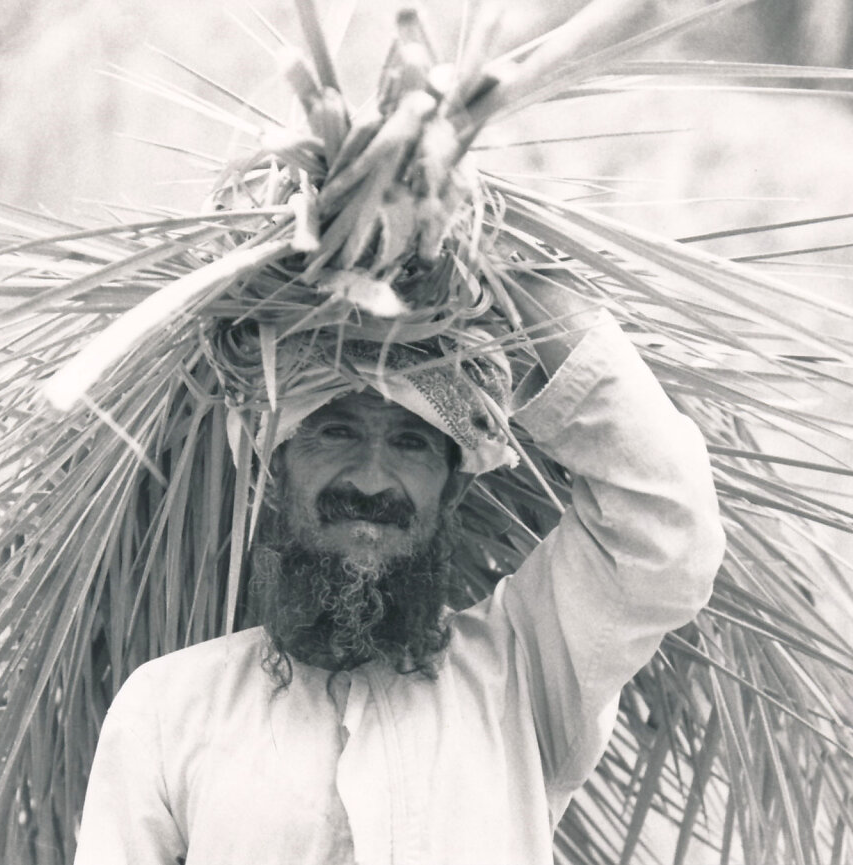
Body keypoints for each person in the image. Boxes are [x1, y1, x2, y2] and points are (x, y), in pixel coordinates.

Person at [72, 272, 726, 864]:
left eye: (410, 442)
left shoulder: (527, 674)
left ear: (452, 490)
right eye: (336, 431)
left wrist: (507, 269)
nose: (371, 478)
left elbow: (667, 526)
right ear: (274, 473)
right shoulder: (165, 709)